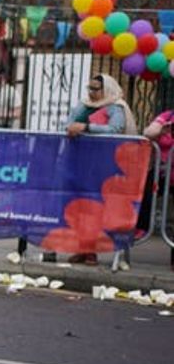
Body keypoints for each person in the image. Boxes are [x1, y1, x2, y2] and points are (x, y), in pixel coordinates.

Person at [61, 72, 137, 265]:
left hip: (104, 165)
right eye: (90, 88)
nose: (91, 93)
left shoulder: (116, 107)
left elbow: (115, 129)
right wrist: (75, 125)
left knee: (95, 207)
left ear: (107, 89)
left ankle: (93, 251)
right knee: (79, 206)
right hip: (81, 162)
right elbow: (69, 124)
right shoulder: (85, 105)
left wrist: (86, 128)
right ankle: (82, 248)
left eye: (96, 89)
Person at [138, 108, 174, 270]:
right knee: (143, 190)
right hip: (162, 172)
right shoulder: (168, 116)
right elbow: (147, 132)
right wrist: (161, 130)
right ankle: (140, 227)